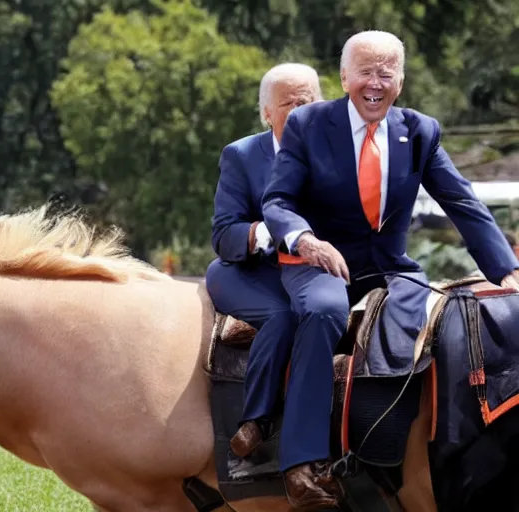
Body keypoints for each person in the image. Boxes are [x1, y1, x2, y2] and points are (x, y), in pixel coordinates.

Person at [261, 30, 519, 510]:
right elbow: (277, 201)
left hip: (392, 270)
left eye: (386, 72)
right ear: (343, 77)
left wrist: (507, 270)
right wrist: (306, 240)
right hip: (321, 264)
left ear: (400, 80)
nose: (375, 83)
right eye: (365, 71)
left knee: (443, 325)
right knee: (323, 313)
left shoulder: (420, 131)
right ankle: (301, 463)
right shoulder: (308, 125)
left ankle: (394, 456)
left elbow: (462, 202)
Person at [205, 63, 322, 470]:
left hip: (311, 272)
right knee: (284, 314)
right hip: (245, 269)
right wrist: (267, 232)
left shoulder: (338, 154)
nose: (300, 110)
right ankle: (255, 422)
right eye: (288, 103)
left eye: (307, 101)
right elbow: (223, 234)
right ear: (266, 113)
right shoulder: (240, 155)